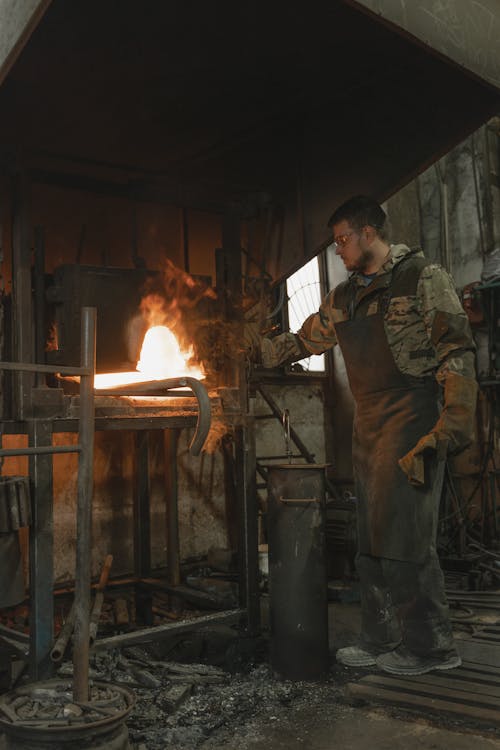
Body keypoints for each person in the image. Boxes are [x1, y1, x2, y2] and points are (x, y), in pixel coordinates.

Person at [255, 195, 478, 676]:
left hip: (415, 416)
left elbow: (456, 350)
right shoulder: (346, 297)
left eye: (342, 240)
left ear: (369, 233)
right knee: (371, 537)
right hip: (370, 421)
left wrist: (452, 423)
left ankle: (431, 648)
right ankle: (382, 639)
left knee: (407, 536)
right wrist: (249, 346)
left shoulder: (422, 278)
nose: (338, 251)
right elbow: (303, 341)